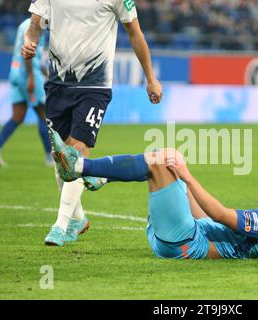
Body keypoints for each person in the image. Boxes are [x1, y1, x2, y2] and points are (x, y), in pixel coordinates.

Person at [22, 0, 163, 246]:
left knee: (76, 152)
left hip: (94, 86)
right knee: (61, 158)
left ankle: (60, 225)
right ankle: (78, 217)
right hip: (58, 83)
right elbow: (35, 24)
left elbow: (135, 33)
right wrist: (29, 41)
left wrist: (150, 78)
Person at [48, 128, 258, 259]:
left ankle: (82, 167)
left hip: (184, 244)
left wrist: (187, 176)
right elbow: (206, 217)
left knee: (162, 163)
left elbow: (219, 215)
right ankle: (99, 174)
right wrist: (183, 182)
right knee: (167, 157)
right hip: (181, 238)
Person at [0, 18, 53, 167]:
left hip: (15, 71)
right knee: (44, 114)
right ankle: (50, 157)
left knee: (18, 116)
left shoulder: (24, 24)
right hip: (27, 74)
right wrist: (30, 76)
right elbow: (28, 53)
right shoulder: (36, 25)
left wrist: (45, 73)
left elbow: (28, 52)